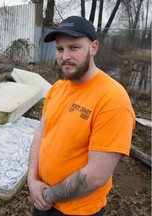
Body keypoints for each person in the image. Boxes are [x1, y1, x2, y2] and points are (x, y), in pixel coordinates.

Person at [27, 16, 135, 216]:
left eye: (74, 48)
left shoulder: (112, 100)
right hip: (42, 198)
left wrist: (47, 196)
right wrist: (32, 181)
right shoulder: (57, 88)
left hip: (77, 210)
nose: (65, 56)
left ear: (93, 48)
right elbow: (40, 135)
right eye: (60, 49)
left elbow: (96, 175)